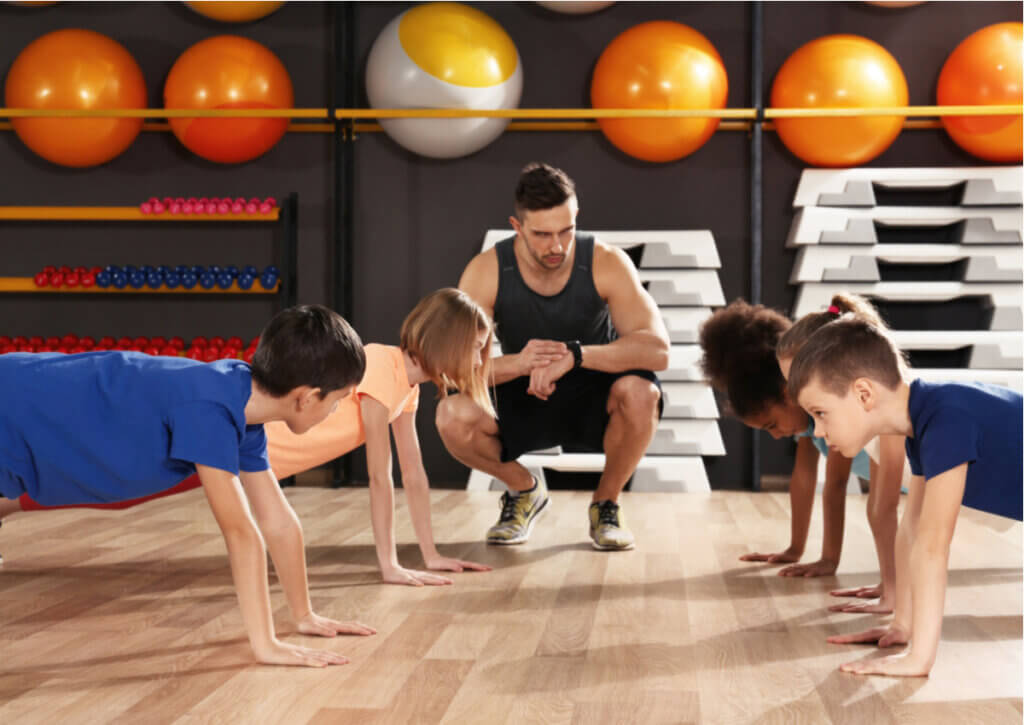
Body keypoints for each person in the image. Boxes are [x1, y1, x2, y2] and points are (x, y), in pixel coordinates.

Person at [5, 289, 495, 587]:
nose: (478, 361)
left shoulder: (406, 387)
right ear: (447, 341)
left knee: (119, 494)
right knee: (111, 489)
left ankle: (6, 504)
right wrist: (389, 564)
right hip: (240, 446)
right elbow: (380, 475)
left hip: (251, 455)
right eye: (475, 349)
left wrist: (429, 555)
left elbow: (413, 471)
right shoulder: (382, 370)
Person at [0, 305, 376, 667]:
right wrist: (266, 645)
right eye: (338, 401)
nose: (335, 411)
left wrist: (303, 614)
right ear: (307, 397)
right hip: (16, 407)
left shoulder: (242, 409)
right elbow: (240, 532)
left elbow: (277, 520)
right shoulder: (211, 409)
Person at [436, 162, 670, 551]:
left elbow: (658, 351)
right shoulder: (486, 271)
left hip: (595, 393)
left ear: (576, 217)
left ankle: (606, 503)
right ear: (517, 226)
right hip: (523, 393)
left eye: (566, 231)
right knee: (451, 414)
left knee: (642, 392)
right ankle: (523, 491)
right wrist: (519, 363)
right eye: (542, 234)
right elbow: (450, 372)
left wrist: (576, 356)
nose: (557, 246)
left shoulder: (606, 262)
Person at [788, 315, 1022, 677]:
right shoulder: (922, 421)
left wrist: (919, 658)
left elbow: (932, 546)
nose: (818, 430)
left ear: (864, 393)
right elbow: (910, 530)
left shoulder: (945, 420)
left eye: (820, 413)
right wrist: (903, 625)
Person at [698, 295, 906, 614]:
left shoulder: (835, 419)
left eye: (771, 424)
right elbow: (803, 479)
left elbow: (836, 485)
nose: (776, 434)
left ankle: (893, 585)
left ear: (788, 395)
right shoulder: (812, 427)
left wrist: (829, 559)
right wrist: (795, 549)